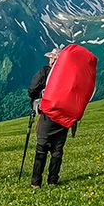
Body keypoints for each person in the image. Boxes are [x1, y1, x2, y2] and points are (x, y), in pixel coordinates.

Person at [28, 47, 70, 188]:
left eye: (51, 57)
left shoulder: (45, 72)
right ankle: (53, 181)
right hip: (64, 117)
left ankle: (36, 182)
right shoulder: (68, 76)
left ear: (54, 60)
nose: (49, 59)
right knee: (57, 150)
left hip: (48, 116)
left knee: (41, 148)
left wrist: (37, 98)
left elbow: (32, 89)